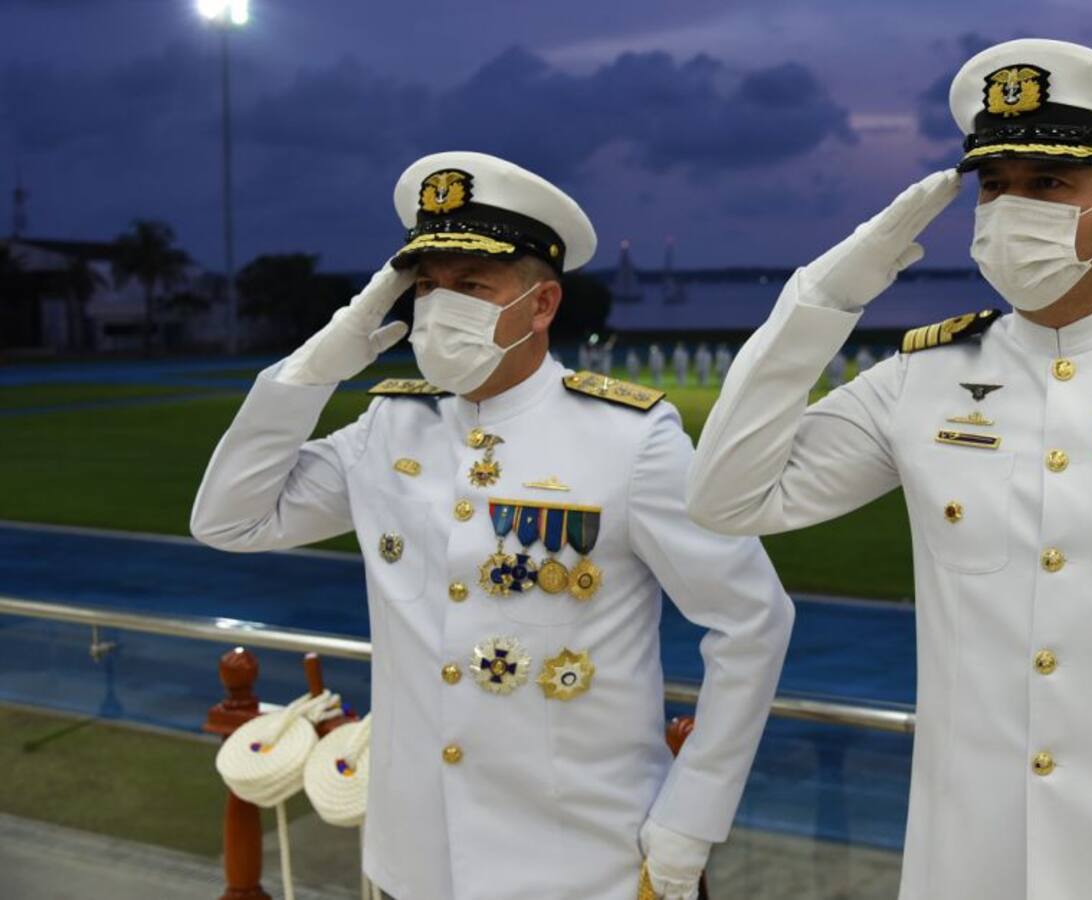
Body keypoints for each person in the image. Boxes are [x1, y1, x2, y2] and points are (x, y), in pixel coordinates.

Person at [191, 151, 793, 900]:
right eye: (429, 285)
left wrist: (691, 820)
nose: (441, 307)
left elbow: (752, 620)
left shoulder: (630, 439)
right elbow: (229, 519)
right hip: (415, 860)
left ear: (541, 307)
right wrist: (318, 364)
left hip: (584, 863)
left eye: (472, 286)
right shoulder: (390, 427)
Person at [686, 39, 1092, 900]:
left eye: (1048, 184)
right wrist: (827, 296)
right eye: (994, 186)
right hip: (968, 861)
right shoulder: (923, 380)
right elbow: (725, 496)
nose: (1011, 209)